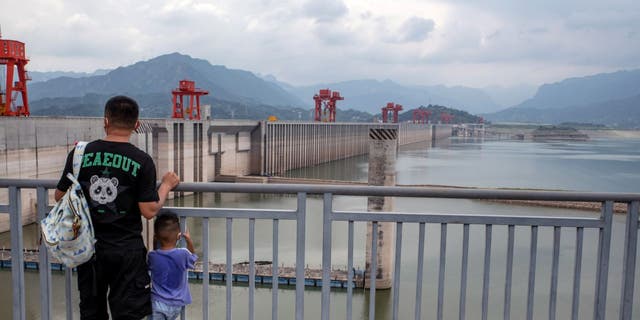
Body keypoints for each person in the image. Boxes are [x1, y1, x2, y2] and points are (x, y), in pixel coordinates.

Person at [54, 95, 180, 320]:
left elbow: (60, 195)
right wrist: (167, 186)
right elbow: (149, 211)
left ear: (105, 121)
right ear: (137, 125)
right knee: (128, 313)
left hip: (88, 249)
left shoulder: (80, 154)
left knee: (92, 311)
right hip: (126, 252)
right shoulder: (142, 160)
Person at [148, 211, 197, 320]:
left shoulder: (152, 256)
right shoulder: (183, 254)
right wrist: (189, 240)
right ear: (179, 236)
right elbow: (193, 258)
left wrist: (155, 240)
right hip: (177, 303)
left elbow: (152, 262)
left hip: (157, 303)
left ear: (156, 236)